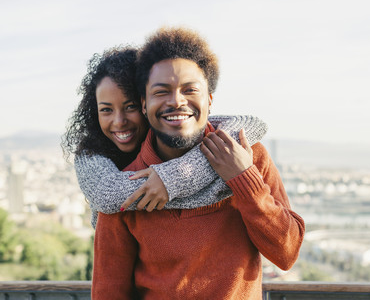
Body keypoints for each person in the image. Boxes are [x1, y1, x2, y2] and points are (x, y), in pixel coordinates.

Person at [91, 28, 305, 299]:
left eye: (190, 90)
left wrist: (244, 179)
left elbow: (286, 254)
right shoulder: (124, 187)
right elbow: (109, 293)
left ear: (210, 100)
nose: (177, 101)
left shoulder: (249, 156)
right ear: (144, 104)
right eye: (161, 91)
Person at [62, 47, 268, 228]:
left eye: (131, 106)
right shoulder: (90, 155)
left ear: (147, 104)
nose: (119, 121)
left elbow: (251, 123)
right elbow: (108, 196)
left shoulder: (173, 138)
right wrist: (176, 180)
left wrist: (170, 180)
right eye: (106, 110)